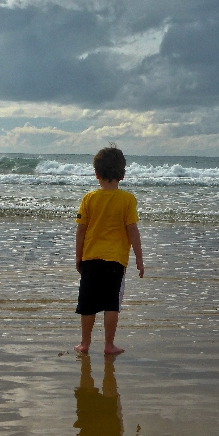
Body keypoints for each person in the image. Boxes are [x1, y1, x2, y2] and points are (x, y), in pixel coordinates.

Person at [74, 146, 144, 355]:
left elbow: (81, 231)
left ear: (96, 174)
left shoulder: (89, 198)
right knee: (111, 303)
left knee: (87, 304)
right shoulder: (127, 200)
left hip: (91, 257)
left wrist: (78, 256)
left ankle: (85, 343)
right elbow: (133, 231)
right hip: (116, 260)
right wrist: (139, 259)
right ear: (122, 174)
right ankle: (108, 344)